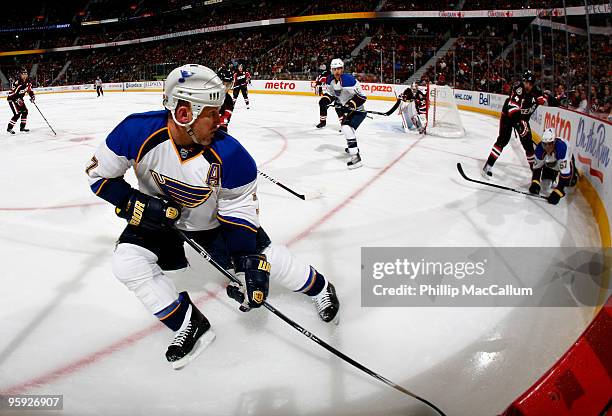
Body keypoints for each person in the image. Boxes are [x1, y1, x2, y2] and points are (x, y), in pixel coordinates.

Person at [85, 64, 339, 369]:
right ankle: (191, 325)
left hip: (212, 222)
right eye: (213, 113)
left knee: (267, 257)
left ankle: (320, 287)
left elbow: (238, 210)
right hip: (158, 221)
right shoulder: (135, 132)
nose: (221, 120)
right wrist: (134, 204)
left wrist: (247, 259)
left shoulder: (232, 156)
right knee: (127, 263)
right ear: (183, 113)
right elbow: (99, 177)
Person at [482, 70, 555, 178]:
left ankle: (534, 172)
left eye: (530, 84)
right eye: (526, 82)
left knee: (528, 146)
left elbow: (545, 100)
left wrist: (556, 100)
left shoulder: (537, 92)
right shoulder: (518, 90)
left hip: (523, 119)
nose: (527, 86)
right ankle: (488, 165)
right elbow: (512, 111)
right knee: (503, 140)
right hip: (508, 117)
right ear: (523, 81)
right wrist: (520, 125)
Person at [321, 58, 367, 169]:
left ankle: (356, 158)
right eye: (335, 69)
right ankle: (354, 149)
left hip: (358, 111)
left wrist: (351, 105)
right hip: (350, 110)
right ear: (331, 70)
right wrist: (325, 100)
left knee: (346, 127)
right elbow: (332, 94)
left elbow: (362, 97)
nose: (337, 71)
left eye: (339, 68)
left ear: (342, 69)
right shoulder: (330, 80)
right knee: (348, 129)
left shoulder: (348, 80)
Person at [529, 128, 578, 205]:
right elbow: (536, 167)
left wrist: (558, 191)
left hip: (565, 160)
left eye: (550, 144)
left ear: (554, 142)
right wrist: (535, 182)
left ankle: (574, 173)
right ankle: (552, 174)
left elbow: (565, 175)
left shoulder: (562, 149)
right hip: (551, 164)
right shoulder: (539, 149)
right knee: (545, 184)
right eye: (545, 144)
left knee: (570, 183)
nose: (547, 147)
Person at [7, 68, 35, 134]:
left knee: (25, 112)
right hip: (12, 99)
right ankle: (9, 128)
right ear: (20, 75)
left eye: (26, 74)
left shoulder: (28, 82)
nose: (25, 75)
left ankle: (22, 127)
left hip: (20, 99)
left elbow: (29, 90)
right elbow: (12, 94)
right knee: (17, 114)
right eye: (23, 74)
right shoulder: (18, 83)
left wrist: (32, 96)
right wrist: (18, 100)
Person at [217, 66, 234, 132]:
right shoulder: (206, 95)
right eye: (223, 84)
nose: (225, 88)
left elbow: (225, 120)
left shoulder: (228, 100)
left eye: (228, 85)